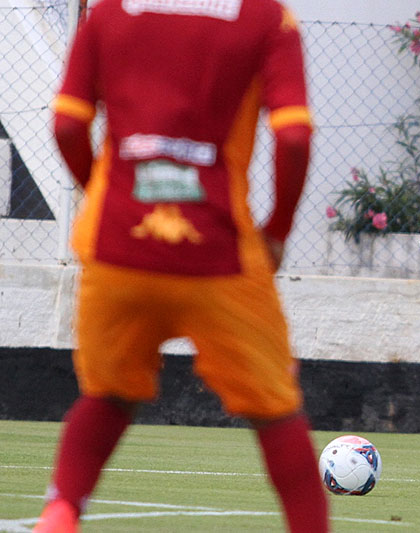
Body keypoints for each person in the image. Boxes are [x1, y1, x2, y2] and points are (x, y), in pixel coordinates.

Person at [34, 0, 329, 531]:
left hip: (116, 247)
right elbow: (293, 137)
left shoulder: (107, 12)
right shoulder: (267, 18)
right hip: (219, 257)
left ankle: (59, 512)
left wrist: (105, 196)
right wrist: (278, 231)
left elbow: (67, 126)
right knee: (275, 410)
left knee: (107, 396)